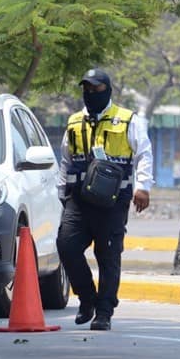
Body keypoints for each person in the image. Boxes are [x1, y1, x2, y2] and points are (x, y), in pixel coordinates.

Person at [56, 68, 154, 331]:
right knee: (66, 246)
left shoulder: (127, 120)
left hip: (112, 201)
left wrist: (143, 187)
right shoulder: (74, 122)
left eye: (96, 89)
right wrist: (61, 192)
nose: (91, 94)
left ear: (108, 90)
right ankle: (87, 299)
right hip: (78, 200)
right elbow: (65, 160)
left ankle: (104, 312)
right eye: (86, 89)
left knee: (108, 254)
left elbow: (144, 153)